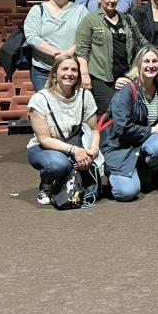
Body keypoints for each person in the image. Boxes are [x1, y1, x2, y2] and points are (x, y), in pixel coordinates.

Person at [100, 46, 158, 202]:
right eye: (146, 61)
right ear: (138, 65)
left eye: (155, 61)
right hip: (121, 146)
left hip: (141, 142)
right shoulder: (127, 89)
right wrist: (153, 130)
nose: (151, 65)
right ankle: (114, 169)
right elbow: (122, 128)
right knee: (126, 193)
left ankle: (141, 173)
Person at [26, 54, 100, 205]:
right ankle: (46, 184)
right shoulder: (40, 99)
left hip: (76, 146)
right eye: (64, 69)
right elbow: (44, 139)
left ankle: (62, 184)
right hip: (44, 148)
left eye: (74, 70)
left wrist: (93, 150)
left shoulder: (85, 96)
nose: (69, 73)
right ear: (55, 73)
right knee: (59, 164)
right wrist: (74, 151)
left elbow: (94, 130)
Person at [74, 0, 143, 116]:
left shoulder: (127, 19)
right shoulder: (90, 20)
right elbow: (82, 50)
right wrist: (84, 75)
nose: (112, 0)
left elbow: (141, 41)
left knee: (127, 112)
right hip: (101, 78)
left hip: (125, 76)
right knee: (110, 112)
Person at [23, 0, 88, 92]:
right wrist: (57, 53)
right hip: (43, 71)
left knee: (71, 102)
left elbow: (86, 37)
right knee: (47, 103)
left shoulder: (81, 11)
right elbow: (32, 37)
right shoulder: (37, 10)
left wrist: (69, 52)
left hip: (72, 70)